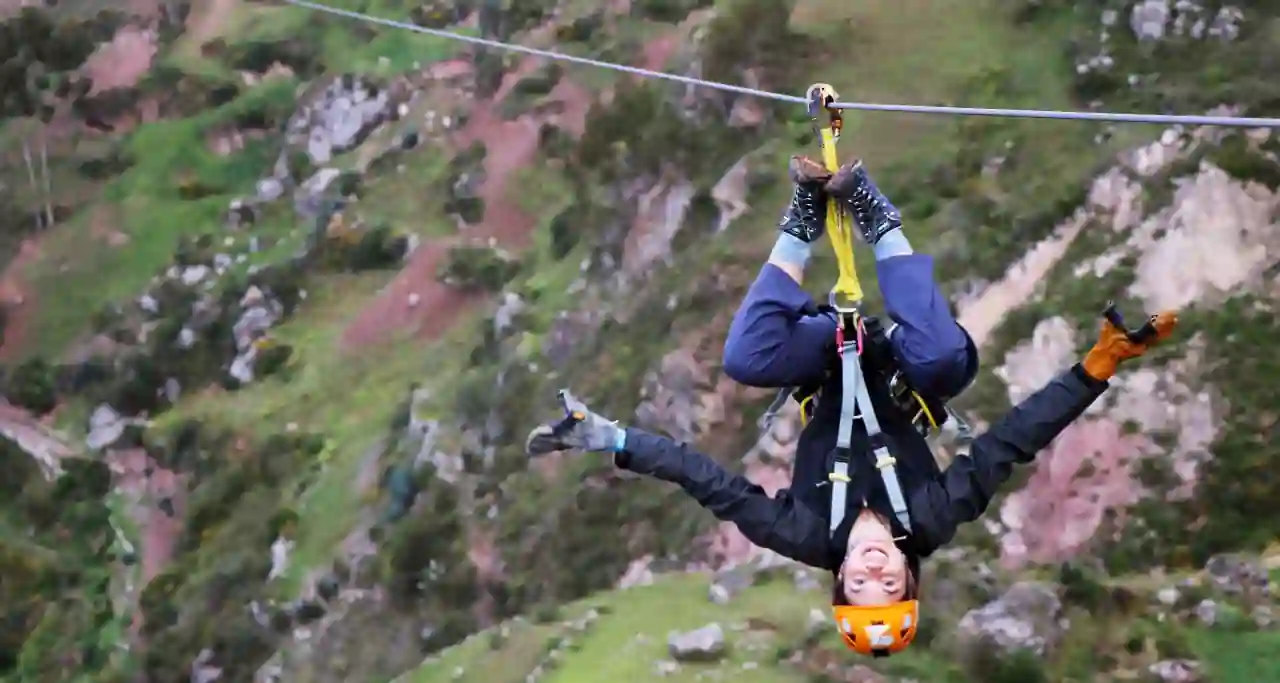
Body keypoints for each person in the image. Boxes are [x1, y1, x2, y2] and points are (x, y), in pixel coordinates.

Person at [524, 185, 1179, 654]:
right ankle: (874, 213)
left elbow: (709, 482)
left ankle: (803, 216)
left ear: (839, 579)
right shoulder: (931, 515)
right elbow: (1010, 442)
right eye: (887, 579)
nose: (872, 565)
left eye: (861, 582)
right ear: (909, 572)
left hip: (827, 362)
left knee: (744, 356)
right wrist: (1096, 367)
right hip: (902, 364)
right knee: (948, 353)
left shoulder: (805, 531)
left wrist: (616, 439)